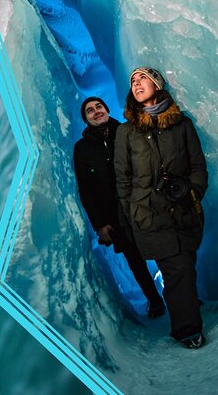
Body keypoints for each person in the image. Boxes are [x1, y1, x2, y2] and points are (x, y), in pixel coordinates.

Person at [114, 67, 208, 349]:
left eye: (142, 78)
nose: (136, 83)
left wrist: (191, 192)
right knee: (176, 269)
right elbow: (123, 178)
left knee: (185, 266)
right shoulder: (126, 131)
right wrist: (133, 212)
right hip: (149, 215)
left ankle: (186, 307)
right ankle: (187, 330)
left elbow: (198, 167)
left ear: (157, 84)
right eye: (132, 80)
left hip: (183, 211)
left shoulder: (182, 125)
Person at [73, 96, 165, 318]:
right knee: (135, 260)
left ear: (106, 109)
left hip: (144, 206)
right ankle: (154, 301)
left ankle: (181, 295)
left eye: (99, 107)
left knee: (164, 249)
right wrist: (100, 224)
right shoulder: (82, 149)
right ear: (85, 120)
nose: (96, 112)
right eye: (89, 111)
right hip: (115, 216)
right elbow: (86, 190)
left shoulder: (127, 131)